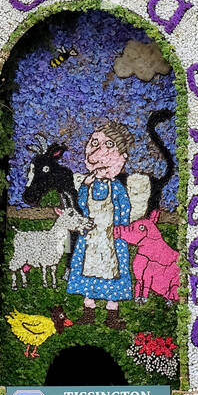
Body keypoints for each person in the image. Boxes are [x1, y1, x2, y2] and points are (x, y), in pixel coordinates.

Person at [66, 120, 133, 328]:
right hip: (91, 237)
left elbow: (124, 207)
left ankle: (112, 314)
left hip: (111, 237)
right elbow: (82, 204)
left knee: (113, 270)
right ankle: (89, 310)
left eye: (109, 146)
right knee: (88, 268)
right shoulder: (88, 186)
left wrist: (121, 227)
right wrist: (85, 188)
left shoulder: (117, 187)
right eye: (94, 143)